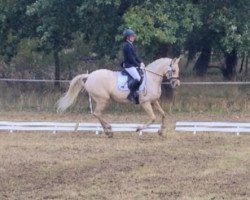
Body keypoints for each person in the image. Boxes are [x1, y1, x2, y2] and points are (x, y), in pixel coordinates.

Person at [122, 28, 145, 104]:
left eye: (133, 36)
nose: (133, 37)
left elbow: (135, 56)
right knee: (138, 78)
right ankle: (131, 95)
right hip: (129, 66)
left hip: (132, 65)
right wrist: (138, 65)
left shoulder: (130, 45)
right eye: (132, 36)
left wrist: (141, 62)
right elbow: (131, 59)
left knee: (142, 76)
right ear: (127, 37)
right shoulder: (127, 46)